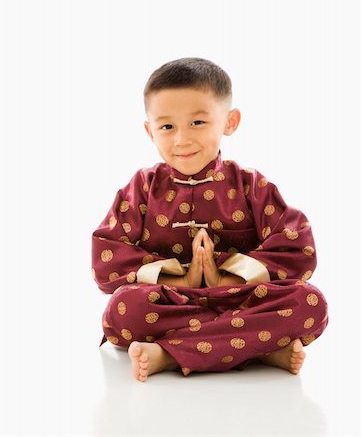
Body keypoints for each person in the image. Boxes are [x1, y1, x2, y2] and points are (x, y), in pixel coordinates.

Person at [91, 57, 328, 382]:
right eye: (167, 126)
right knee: (124, 310)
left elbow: (297, 247)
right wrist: (180, 281)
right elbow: (106, 257)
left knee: (309, 302)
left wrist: (227, 278)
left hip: (242, 298)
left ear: (229, 121)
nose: (181, 139)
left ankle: (167, 355)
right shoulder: (142, 188)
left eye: (198, 123)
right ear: (150, 131)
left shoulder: (249, 185)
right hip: (170, 301)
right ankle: (262, 347)